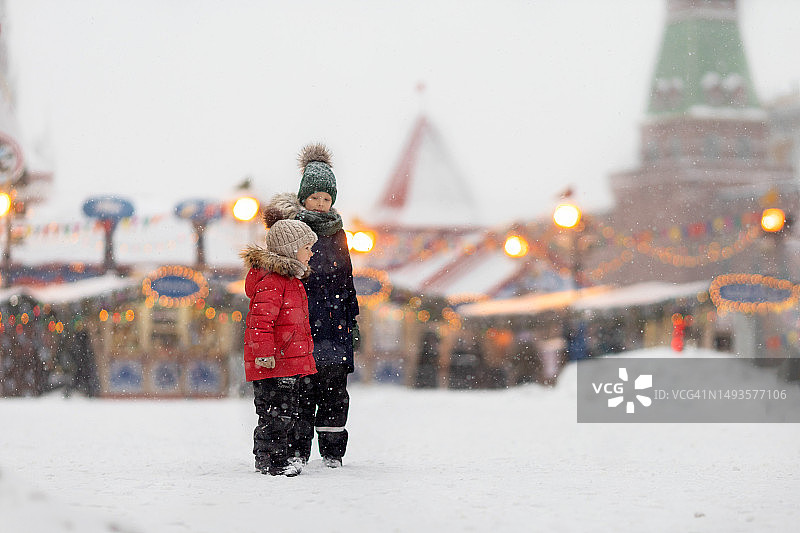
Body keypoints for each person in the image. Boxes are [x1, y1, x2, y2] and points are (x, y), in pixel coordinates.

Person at [263, 143, 360, 469]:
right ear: (303, 198)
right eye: (315, 197)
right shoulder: (291, 231)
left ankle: (332, 453)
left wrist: (351, 318)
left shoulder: (339, 233)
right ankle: (296, 450)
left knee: (334, 390)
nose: (321, 204)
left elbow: (347, 280)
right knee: (301, 391)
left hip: (334, 324)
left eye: (327, 198)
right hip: (300, 323)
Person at [241, 218, 318, 477]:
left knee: (286, 412)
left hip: (287, 361)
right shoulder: (273, 281)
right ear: (290, 249)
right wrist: (264, 354)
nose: (311, 253)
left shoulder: (291, 280)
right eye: (307, 247)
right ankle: (271, 460)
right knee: (275, 414)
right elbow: (260, 322)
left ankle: (278, 456)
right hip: (274, 362)